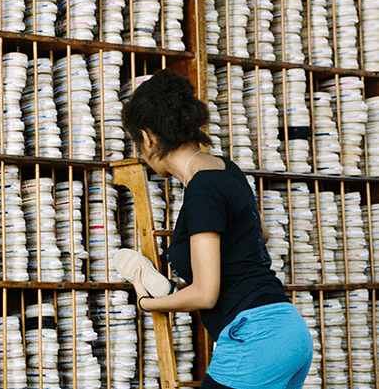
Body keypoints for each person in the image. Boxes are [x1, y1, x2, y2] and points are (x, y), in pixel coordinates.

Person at [116, 69, 313, 389]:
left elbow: (206, 294)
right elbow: (259, 233)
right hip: (290, 331)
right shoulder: (226, 169)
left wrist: (147, 302)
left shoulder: (202, 190)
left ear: (148, 137)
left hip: (255, 338)